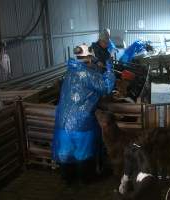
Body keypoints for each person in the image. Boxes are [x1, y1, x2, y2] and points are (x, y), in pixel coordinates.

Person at [52, 44, 116, 184]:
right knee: (83, 153)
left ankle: (68, 180)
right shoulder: (88, 74)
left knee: (66, 152)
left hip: (63, 122)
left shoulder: (70, 71)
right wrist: (110, 70)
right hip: (81, 123)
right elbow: (106, 87)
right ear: (89, 57)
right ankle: (84, 180)